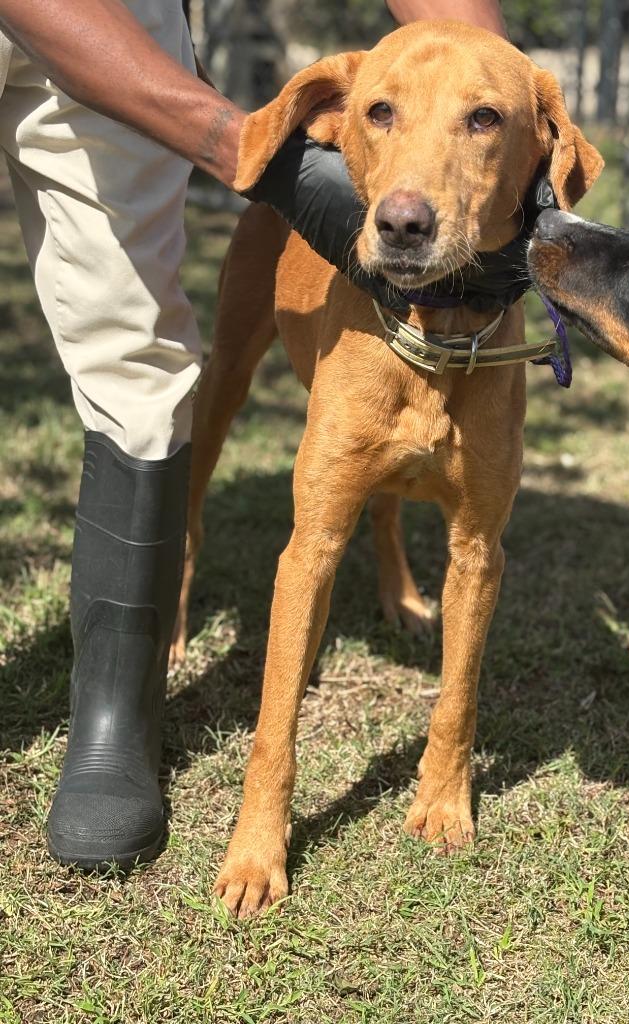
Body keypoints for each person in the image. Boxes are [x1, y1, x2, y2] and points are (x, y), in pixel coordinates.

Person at [0, 0, 509, 871]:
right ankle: (181, 553)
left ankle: (116, 714)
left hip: (125, 19)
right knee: (220, 393)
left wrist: (497, 80)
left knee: (133, 353)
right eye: (379, 114)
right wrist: (248, 148)